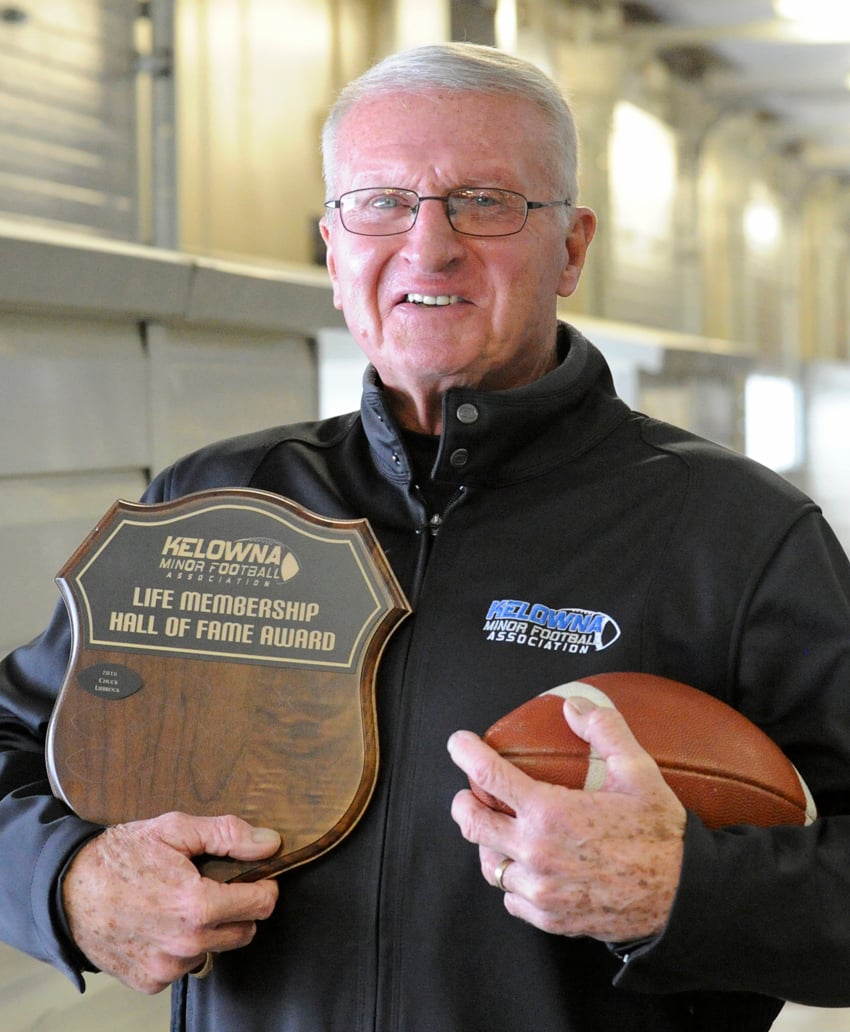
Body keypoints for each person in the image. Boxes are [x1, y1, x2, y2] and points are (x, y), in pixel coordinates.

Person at [2, 41, 850, 1032]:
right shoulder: (213, 503)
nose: (428, 246)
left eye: (485, 201)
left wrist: (683, 888)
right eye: (381, 203)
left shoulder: (736, 535)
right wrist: (65, 885)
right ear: (332, 247)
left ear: (571, 249)